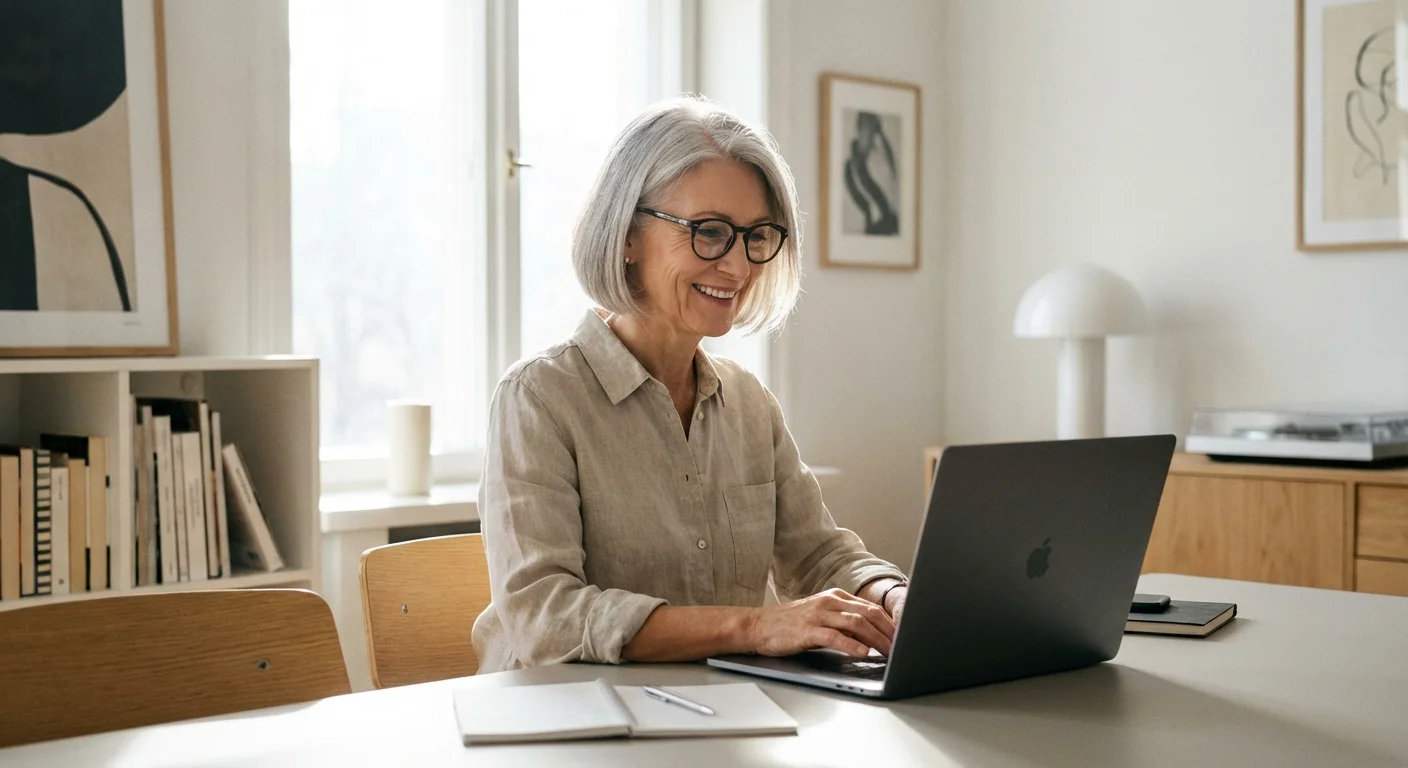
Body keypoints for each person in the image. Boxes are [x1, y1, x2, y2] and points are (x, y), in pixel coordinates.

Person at [472, 95, 908, 674]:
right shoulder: (539, 399)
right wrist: (756, 626)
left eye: (755, 236)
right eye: (709, 232)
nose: (739, 267)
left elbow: (819, 555)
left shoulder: (749, 405)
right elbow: (547, 620)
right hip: (565, 726)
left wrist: (895, 597)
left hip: (714, 714)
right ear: (627, 235)